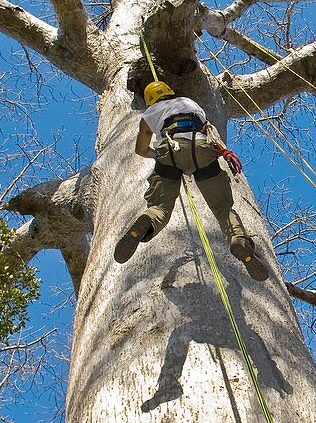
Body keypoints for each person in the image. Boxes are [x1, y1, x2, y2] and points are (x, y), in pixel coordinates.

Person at [114, 81, 269, 281]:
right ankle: (238, 239)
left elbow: (141, 149)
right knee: (222, 208)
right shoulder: (190, 103)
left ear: (149, 100)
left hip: (169, 151)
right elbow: (208, 130)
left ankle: (147, 222)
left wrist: (158, 157)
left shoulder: (150, 112)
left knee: (160, 207)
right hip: (202, 149)